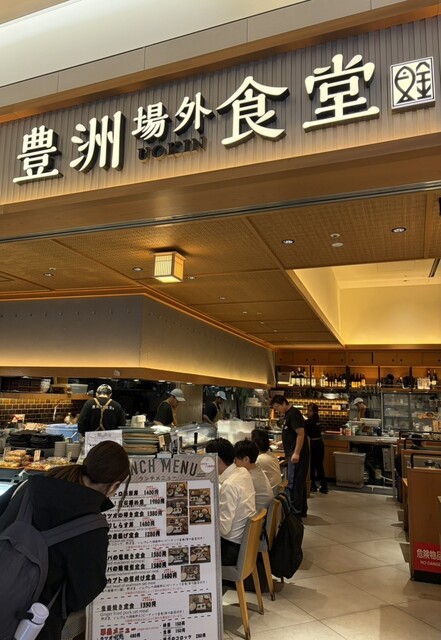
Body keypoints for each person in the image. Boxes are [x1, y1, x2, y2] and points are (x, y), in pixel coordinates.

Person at [0, 441, 131, 640]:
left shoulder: (29, 486)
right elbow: (82, 594)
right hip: (32, 624)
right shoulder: (92, 528)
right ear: (114, 486)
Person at [205, 437, 256, 566]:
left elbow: (224, 529)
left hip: (231, 549)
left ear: (216, 460)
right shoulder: (243, 472)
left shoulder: (229, 485)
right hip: (245, 542)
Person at [270, 394, 309, 519]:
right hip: (293, 453)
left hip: (297, 455)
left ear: (283, 403)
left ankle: (295, 514)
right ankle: (301, 510)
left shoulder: (294, 414)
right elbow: (292, 434)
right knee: (299, 483)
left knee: (295, 483)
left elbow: (300, 434)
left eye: (277, 407)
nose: (277, 410)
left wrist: (296, 453)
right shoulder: (288, 414)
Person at [234, 439, 273, 512]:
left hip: (257, 515)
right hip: (265, 513)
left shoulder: (248, 476)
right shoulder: (257, 469)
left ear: (246, 459)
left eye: (236, 459)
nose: (235, 463)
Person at [304, 403, 328, 494]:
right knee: (319, 466)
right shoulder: (318, 419)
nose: (308, 412)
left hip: (313, 444)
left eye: (309, 410)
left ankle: (312, 486)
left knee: (312, 466)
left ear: (314, 411)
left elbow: (305, 432)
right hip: (320, 444)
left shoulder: (309, 421)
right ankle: (324, 486)